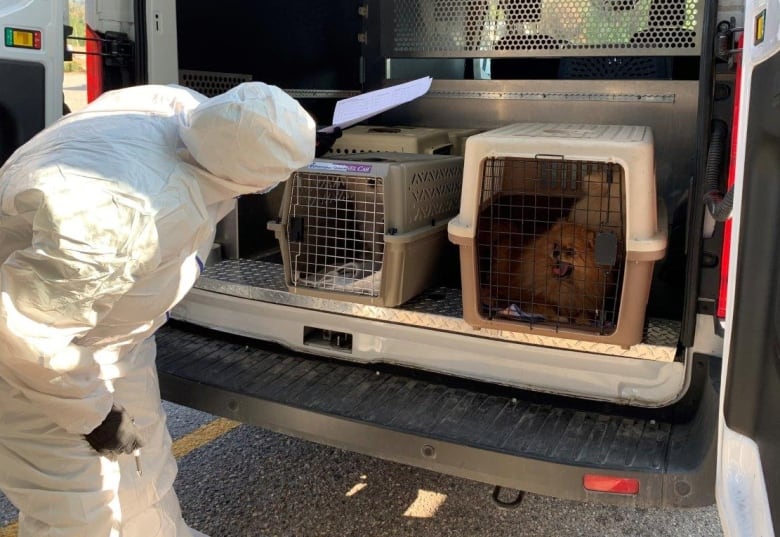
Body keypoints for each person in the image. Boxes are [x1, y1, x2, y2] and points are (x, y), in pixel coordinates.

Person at [0, 82, 317, 536]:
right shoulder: (123, 218)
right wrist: (93, 415)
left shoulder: (182, 111)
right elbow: (27, 334)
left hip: (106, 336)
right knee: (78, 508)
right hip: (32, 365)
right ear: (248, 179)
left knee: (145, 461)